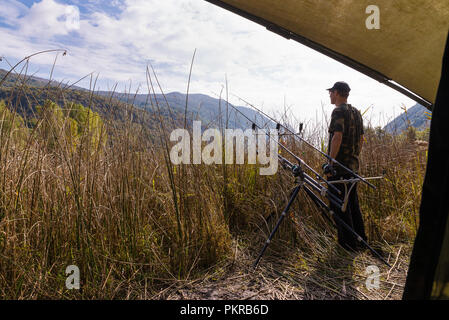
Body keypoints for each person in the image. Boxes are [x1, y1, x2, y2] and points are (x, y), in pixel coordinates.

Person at [324, 81, 367, 252]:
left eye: (331, 92)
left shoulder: (338, 111)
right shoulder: (356, 112)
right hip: (353, 168)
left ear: (337, 92)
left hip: (339, 169)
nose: (329, 95)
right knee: (353, 205)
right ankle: (361, 240)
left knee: (340, 207)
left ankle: (348, 245)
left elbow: (337, 137)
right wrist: (354, 156)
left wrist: (330, 162)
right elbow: (362, 139)